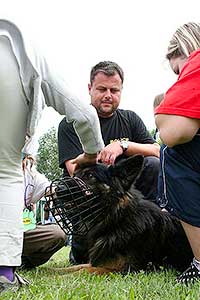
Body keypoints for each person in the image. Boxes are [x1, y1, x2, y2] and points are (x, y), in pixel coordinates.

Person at [0, 19, 104, 294]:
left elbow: (49, 190)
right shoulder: (30, 55)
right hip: (13, 65)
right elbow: (84, 114)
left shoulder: (32, 175)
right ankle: (4, 274)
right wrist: (92, 154)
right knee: (5, 170)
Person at [58, 61, 160, 264]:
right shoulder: (71, 123)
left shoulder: (130, 119)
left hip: (125, 206)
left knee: (153, 164)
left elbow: (157, 150)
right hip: (90, 202)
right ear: (90, 89)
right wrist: (94, 155)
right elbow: (73, 169)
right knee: (83, 259)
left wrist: (123, 145)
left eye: (114, 90)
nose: (108, 95)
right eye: (102, 89)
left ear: (121, 91)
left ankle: (149, 237)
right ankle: (80, 244)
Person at [154, 22, 200, 284]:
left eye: (178, 72)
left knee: (172, 153)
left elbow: (173, 134)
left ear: (186, 49)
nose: (180, 78)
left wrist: (162, 118)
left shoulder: (197, 61)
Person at [21, 156, 67, 270]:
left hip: (18, 232)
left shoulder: (30, 174)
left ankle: (22, 263)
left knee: (57, 234)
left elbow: (51, 189)